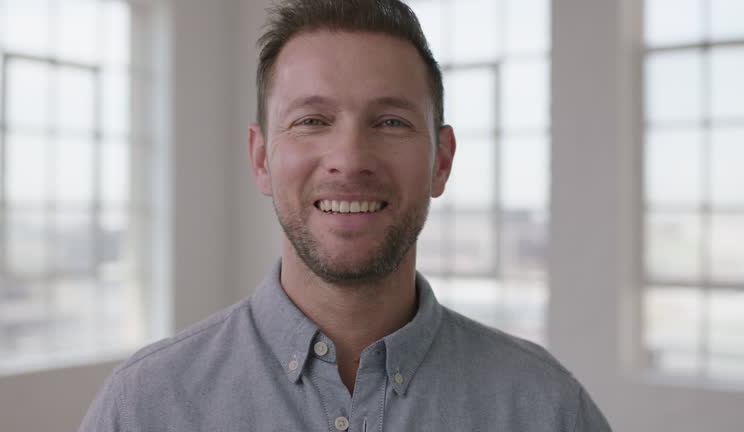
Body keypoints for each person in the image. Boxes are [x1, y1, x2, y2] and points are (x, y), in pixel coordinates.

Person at [79, 0, 612, 430]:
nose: (350, 161)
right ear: (261, 159)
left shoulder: (546, 409)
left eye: (390, 122)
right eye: (312, 120)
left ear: (441, 162)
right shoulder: (145, 406)